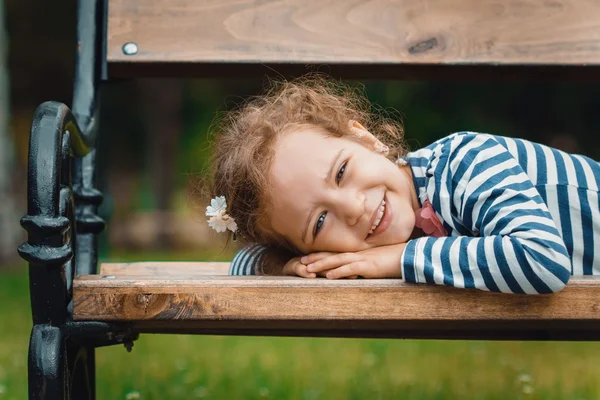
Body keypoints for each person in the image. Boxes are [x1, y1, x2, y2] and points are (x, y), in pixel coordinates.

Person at [204, 75, 600, 294]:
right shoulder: (364, 226)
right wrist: (287, 265)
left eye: (341, 172)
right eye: (320, 223)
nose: (353, 208)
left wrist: (399, 258)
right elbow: (246, 263)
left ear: (366, 140)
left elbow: (544, 260)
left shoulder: (467, 161)